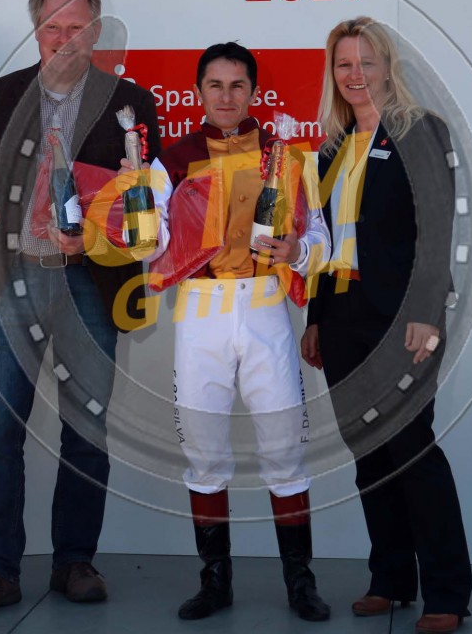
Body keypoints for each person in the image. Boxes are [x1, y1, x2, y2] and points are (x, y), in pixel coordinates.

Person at [0, 0, 161, 617]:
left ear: (95, 33)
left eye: (76, 28)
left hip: (89, 284)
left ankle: (75, 561)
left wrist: (96, 235)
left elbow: (142, 206)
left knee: (87, 431)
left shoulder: (131, 104)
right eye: (52, 27)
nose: (63, 40)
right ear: (36, 31)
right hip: (9, 282)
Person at [147, 42, 332, 622]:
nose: (226, 97)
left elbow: (321, 240)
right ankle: (214, 583)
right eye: (215, 85)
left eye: (237, 86)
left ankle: (300, 583)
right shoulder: (170, 162)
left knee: (284, 451)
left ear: (254, 91)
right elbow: (148, 246)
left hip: (265, 307)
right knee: (204, 455)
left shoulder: (287, 157)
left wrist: (297, 250)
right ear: (198, 92)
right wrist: (132, 221)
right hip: (199, 310)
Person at [300, 17, 472, 634]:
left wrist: (426, 313)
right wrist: (316, 317)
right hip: (342, 316)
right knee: (368, 452)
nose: (355, 75)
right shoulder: (330, 148)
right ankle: (391, 579)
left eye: (366, 63)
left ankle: (447, 592)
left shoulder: (421, 131)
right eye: (344, 64)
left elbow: (438, 230)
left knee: (411, 449)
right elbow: (323, 240)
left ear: (387, 67)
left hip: (403, 319)